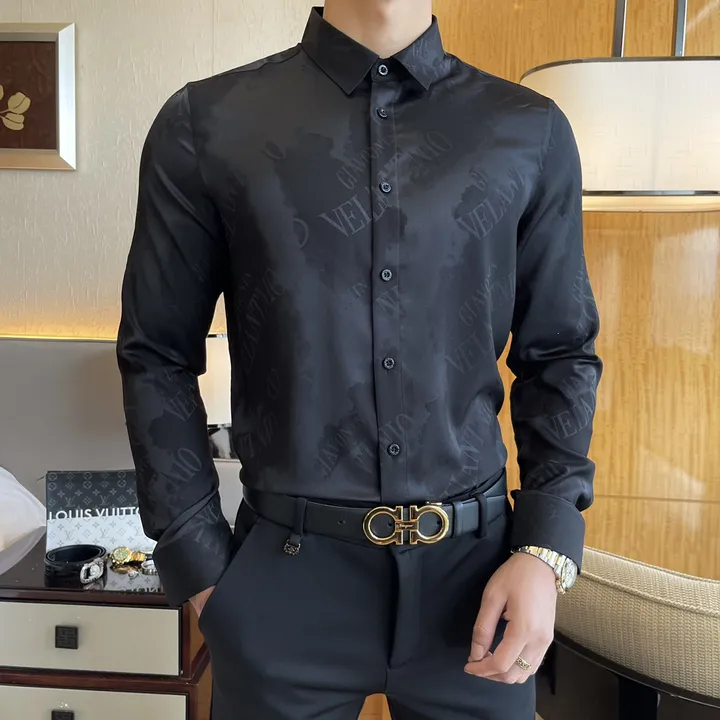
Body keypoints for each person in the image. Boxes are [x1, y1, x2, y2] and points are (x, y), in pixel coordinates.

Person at [116, 1, 602, 718]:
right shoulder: (206, 123)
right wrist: (201, 566)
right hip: (282, 587)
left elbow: (559, 354)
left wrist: (545, 548)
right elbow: (156, 354)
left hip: (479, 582)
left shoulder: (529, 130)